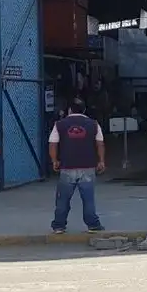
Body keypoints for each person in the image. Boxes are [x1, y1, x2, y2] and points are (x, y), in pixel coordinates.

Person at [48, 98, 105, 233]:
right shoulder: (94, 124)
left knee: (63, 200)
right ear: (84, 110)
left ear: (69, 110)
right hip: (88, 168)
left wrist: (54, 160)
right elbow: (100, 143)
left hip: (67, 167)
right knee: (88, 199)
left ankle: (59, 226)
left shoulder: (59, 124)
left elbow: (52, 144)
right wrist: (101, 161)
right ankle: (93, 225)